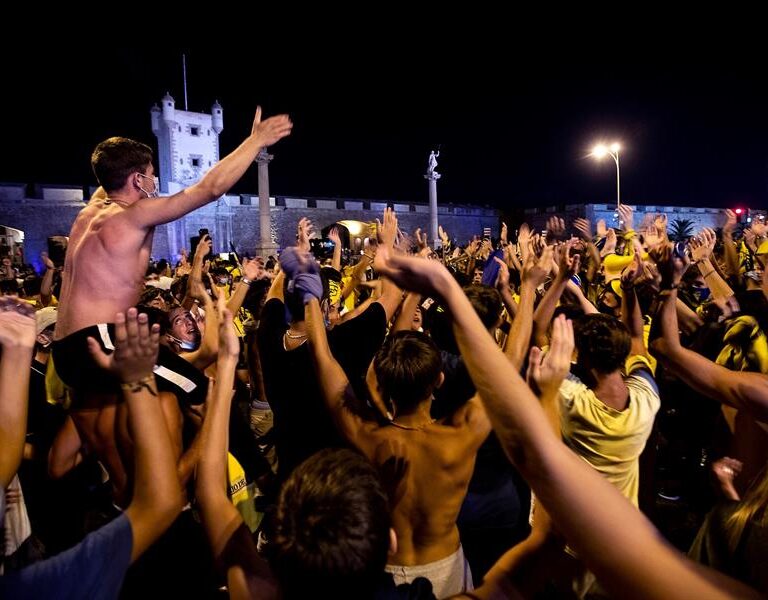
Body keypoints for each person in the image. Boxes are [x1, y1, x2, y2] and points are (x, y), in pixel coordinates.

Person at [49, 107, 291, 505]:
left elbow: (108, 169)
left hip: (67, 350)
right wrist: (255, 141)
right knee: (208, 391)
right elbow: (208, 189)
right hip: (102, 339)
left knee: (117, 430)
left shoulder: (90, 211)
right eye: (149, 174)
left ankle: (121, 500)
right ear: (137, 180)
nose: (156, 181)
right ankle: (260, 477)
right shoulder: (134, 214)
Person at [0, 304, 183, 598]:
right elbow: (167, 495)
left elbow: (56, 465)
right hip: (151, 524)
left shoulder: (84, 410)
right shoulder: (162, 401)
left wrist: (96, 445)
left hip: (111, 511)